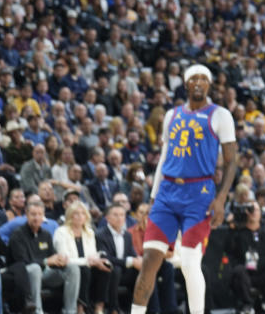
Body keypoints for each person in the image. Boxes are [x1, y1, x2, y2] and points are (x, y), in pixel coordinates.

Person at [130, 65, 237, 314]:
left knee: (190, 263)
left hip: (198, 194)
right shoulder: (172, 115)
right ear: (186, 84)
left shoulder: (220, 115)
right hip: (167, 193)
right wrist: (152, 198)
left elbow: (232, 162)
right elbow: (164, 158)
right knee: (149, 262)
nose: (199, 82)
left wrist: (221, 199)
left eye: (204, 79)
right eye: (194, 78)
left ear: (209, 85)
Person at [8, 197, 80, 314]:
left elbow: (52, 257)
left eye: (40, 214)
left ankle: (70, 311)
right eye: (33, 214)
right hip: (25, 277)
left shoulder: (46, 234)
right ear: (26, 215)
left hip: (45, 275)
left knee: (72, 268)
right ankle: (37, 311)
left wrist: (59, 260)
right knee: (35, 269)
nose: (37, 218)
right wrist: (46, 261)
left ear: (43, 216)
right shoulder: (18, 235)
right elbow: (21, 262)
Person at [223, 201, 265, 314]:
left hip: (263, 274)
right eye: (250, 209)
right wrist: (230, 225)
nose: (253, 212)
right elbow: (228, 249)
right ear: (245, 212)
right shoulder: (237, 232)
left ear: (260, 213)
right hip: (244, 275)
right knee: (239, 271)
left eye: (256, 209)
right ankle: (247, 305)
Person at [54, 199, 113, 314]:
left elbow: (92, 254)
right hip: (67, 269)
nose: (80, 216)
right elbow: (65, 259)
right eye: (76, 213)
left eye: (83, 213)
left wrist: (98, 260)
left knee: (105, 268)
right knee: (84, 270)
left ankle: (99, 307)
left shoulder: (89, 232)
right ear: (70, 216)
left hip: (87, 265)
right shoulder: (61, 232)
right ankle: (80, 308)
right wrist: (88, 261)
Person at [128, 204, 177, 314]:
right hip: (138, 266)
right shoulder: (131, 231)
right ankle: (154, 310)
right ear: (136, 215)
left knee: (168, 267)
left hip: (155, 263)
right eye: (142, 213)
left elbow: (170, 253)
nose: (146, 216)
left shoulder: (160, 231)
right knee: (149, 268)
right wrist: (157, 252)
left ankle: (171, 309)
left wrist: (155, 252)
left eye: (149, 213)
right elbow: (140, 252)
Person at [97, 204, 142, 314]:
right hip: (107, 272)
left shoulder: (127, 235)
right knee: (116, 269)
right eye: (115, 215)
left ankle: (148, 309)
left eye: (122, 215)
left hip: (124, 272)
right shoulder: (100, 235)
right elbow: (106, 258)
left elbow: (132, 253)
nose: (119, 218)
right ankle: (113, 309)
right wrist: (130, 261)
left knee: (144, 271)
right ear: (107, 218)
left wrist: (139, 259)